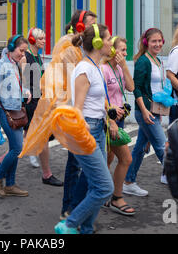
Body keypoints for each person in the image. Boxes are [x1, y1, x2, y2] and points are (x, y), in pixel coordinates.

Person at [55, 23, 115, 234]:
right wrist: (84, 132)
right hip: (87, 131)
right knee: (105, 187)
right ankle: (69, 224)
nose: (111, 42)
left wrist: (109, 113)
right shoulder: (84, 69)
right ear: (98, 43)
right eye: (108, 39)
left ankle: (86, 229)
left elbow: (95, 102)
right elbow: (77, 109)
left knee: (94, 183)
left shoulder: (95, 66)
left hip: (98, 127)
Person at [0, 28, 63, 186]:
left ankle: (2, 160)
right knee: (41, 138)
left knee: (27, 139)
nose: (44, 41)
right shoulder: (26, 57)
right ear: (32, 39)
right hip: (31, 103)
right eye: (40, 39)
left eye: (45, 38)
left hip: (39, 100)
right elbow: (24, 83)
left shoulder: (38, 56)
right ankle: (46, 175)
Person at [58, 10, 97, 220]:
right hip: (75, 111)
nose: (96, 31)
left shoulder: (87, 49)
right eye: (91, 25)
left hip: (90, 113)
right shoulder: (69, 48)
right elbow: (73, 82)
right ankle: (70, 209)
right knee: (75, 164)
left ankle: (77, 208)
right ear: (80, 27)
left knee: (84, 164)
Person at [123, 28, 167, 197]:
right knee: (163, 147)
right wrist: (144, 110)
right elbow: (137, 89)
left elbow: (155, 88)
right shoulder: (143, 61)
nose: (157, 44)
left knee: (140, 148)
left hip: (153, 111)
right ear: (146, 42)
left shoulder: (157, 60)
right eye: (153, 41)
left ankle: (128, 181)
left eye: (159, 41)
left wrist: (158, 109)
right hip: (145, 112)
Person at [0, 35, 31, 198]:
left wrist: (24, 91)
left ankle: (11, 184)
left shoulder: (14, 64)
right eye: (21, 50)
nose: (23, 54)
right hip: (4, 111)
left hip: (16, 110)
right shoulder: (1, 66)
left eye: (25, 51)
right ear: (12, 47)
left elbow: (15, 86)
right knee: (17, 148)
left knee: (16, 149)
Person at [101, 36, 135, 215]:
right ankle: (115, 197)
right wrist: (111, 120)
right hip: (109, 120)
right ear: (112, 51)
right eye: (122, 50)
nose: (125, 53)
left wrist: (125, 66)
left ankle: (103, 193)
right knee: (125, 159)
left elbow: (130, 87)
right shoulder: (104, 69)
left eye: (126, 50)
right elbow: (101, 97)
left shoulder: (119, 69)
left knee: (108, 158)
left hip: (119, 118)